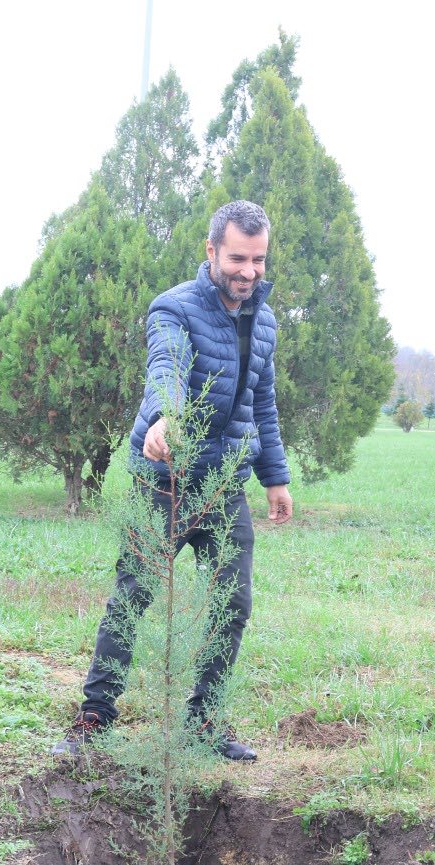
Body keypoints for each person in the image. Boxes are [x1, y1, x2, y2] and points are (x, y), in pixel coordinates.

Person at [51, 200, 294, 762]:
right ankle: (95, 719)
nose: (249, 272)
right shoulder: (173, 309)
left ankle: (204, 725)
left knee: (231, 602)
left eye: (258, 260)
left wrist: (274, 478)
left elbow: (263, 401)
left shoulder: (265, 318)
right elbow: (167, 366)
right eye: (237, 258)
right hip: (164, 480)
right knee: (132, 598)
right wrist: (167, 415)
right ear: (211, 252)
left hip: (224, 483)